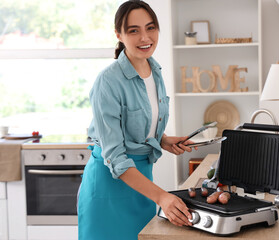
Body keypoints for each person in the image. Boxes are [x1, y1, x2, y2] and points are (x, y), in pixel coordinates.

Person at [77, 1, 196, 239]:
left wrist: (162, 140)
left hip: (142, 184)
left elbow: (136, 124)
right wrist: (162, 196)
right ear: (119, 35)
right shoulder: (107, 82)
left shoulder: (155, 71)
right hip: (108, 188)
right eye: (134, 30)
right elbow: (116, 157)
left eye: (150, 28)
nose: (145, 37)